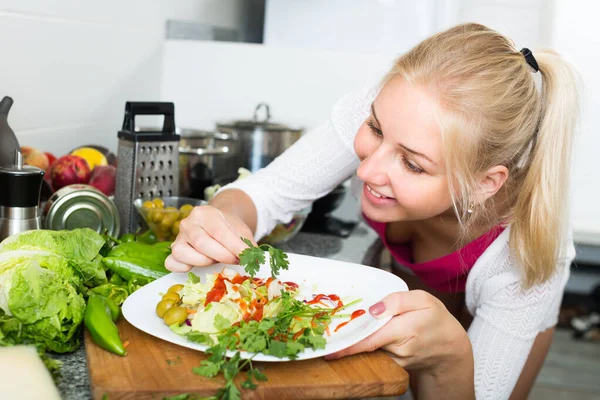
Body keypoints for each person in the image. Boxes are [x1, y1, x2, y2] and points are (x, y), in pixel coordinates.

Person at [165, 23, 579, 400]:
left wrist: (451, 359)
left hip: (509, 297)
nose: (365, 170)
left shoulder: (525, 257)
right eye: (376, 131)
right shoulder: (393, 109)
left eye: (413, 164)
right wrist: (222, 216)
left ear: (483, 183)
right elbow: (268, 192)